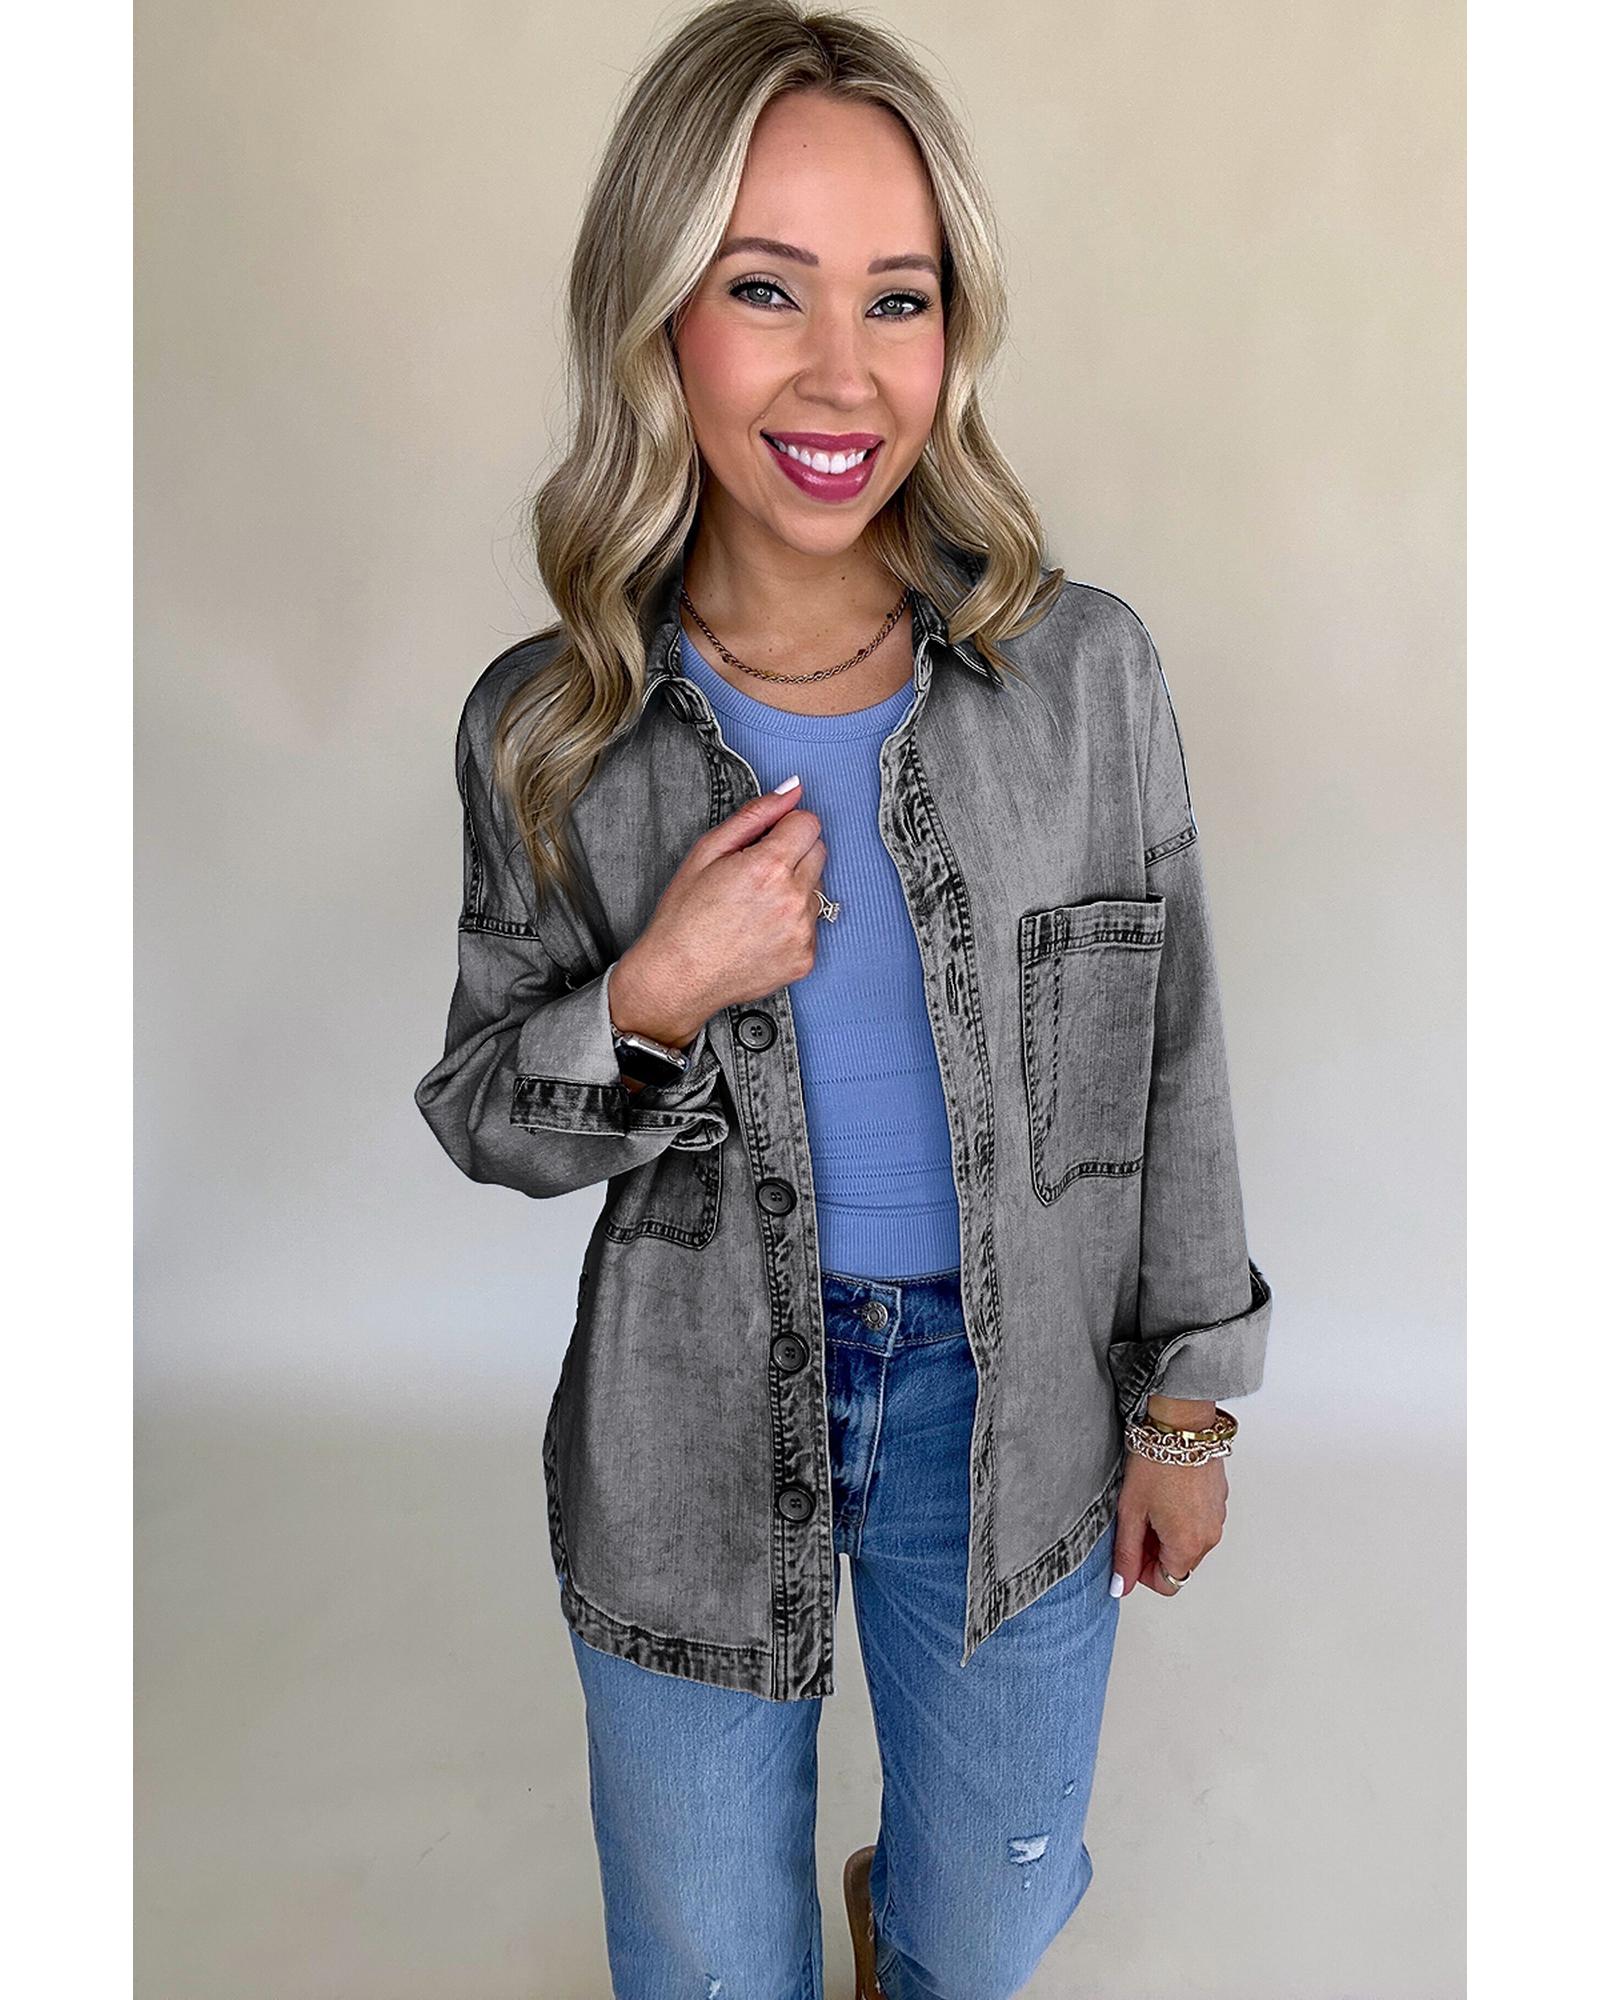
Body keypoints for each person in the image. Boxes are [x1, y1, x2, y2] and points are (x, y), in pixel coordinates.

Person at [414, 4, 1274, 1996]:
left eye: (898, 296)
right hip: (691, 1425)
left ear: (953, 330)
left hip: (1017, 1414)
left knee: (982, 1938)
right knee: (709, 1973)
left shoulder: (1084, 679)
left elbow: (1172, 1059)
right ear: (657, 317)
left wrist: (1185, 1407)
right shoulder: (549, 727)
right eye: (762, 288)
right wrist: (649, 989)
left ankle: (903, 1910)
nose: (840, 370)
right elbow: (487, 1111)